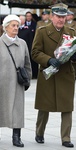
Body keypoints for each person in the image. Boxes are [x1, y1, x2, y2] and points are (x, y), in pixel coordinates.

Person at [31, 3, 76, 148]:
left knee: (67, 107)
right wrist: (48, 60)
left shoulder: (71, 32)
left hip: (65, 75)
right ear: (52, 17)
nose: (61, 20)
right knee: (44, 107)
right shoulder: (42, 31)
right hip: (48, 74)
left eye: (63, 17)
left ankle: (66, 138)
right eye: (58, 17)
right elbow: (35, 52)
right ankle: (39, 133)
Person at [0, 14, 32, 147]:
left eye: (17, 25)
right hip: (2, 84)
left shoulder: (22, 43)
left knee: (18, 111)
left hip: (18, 83)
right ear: (6, 27)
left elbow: (27, 64)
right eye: (13, 25)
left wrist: (27, 80)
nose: (16, 28)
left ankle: (16, 137)